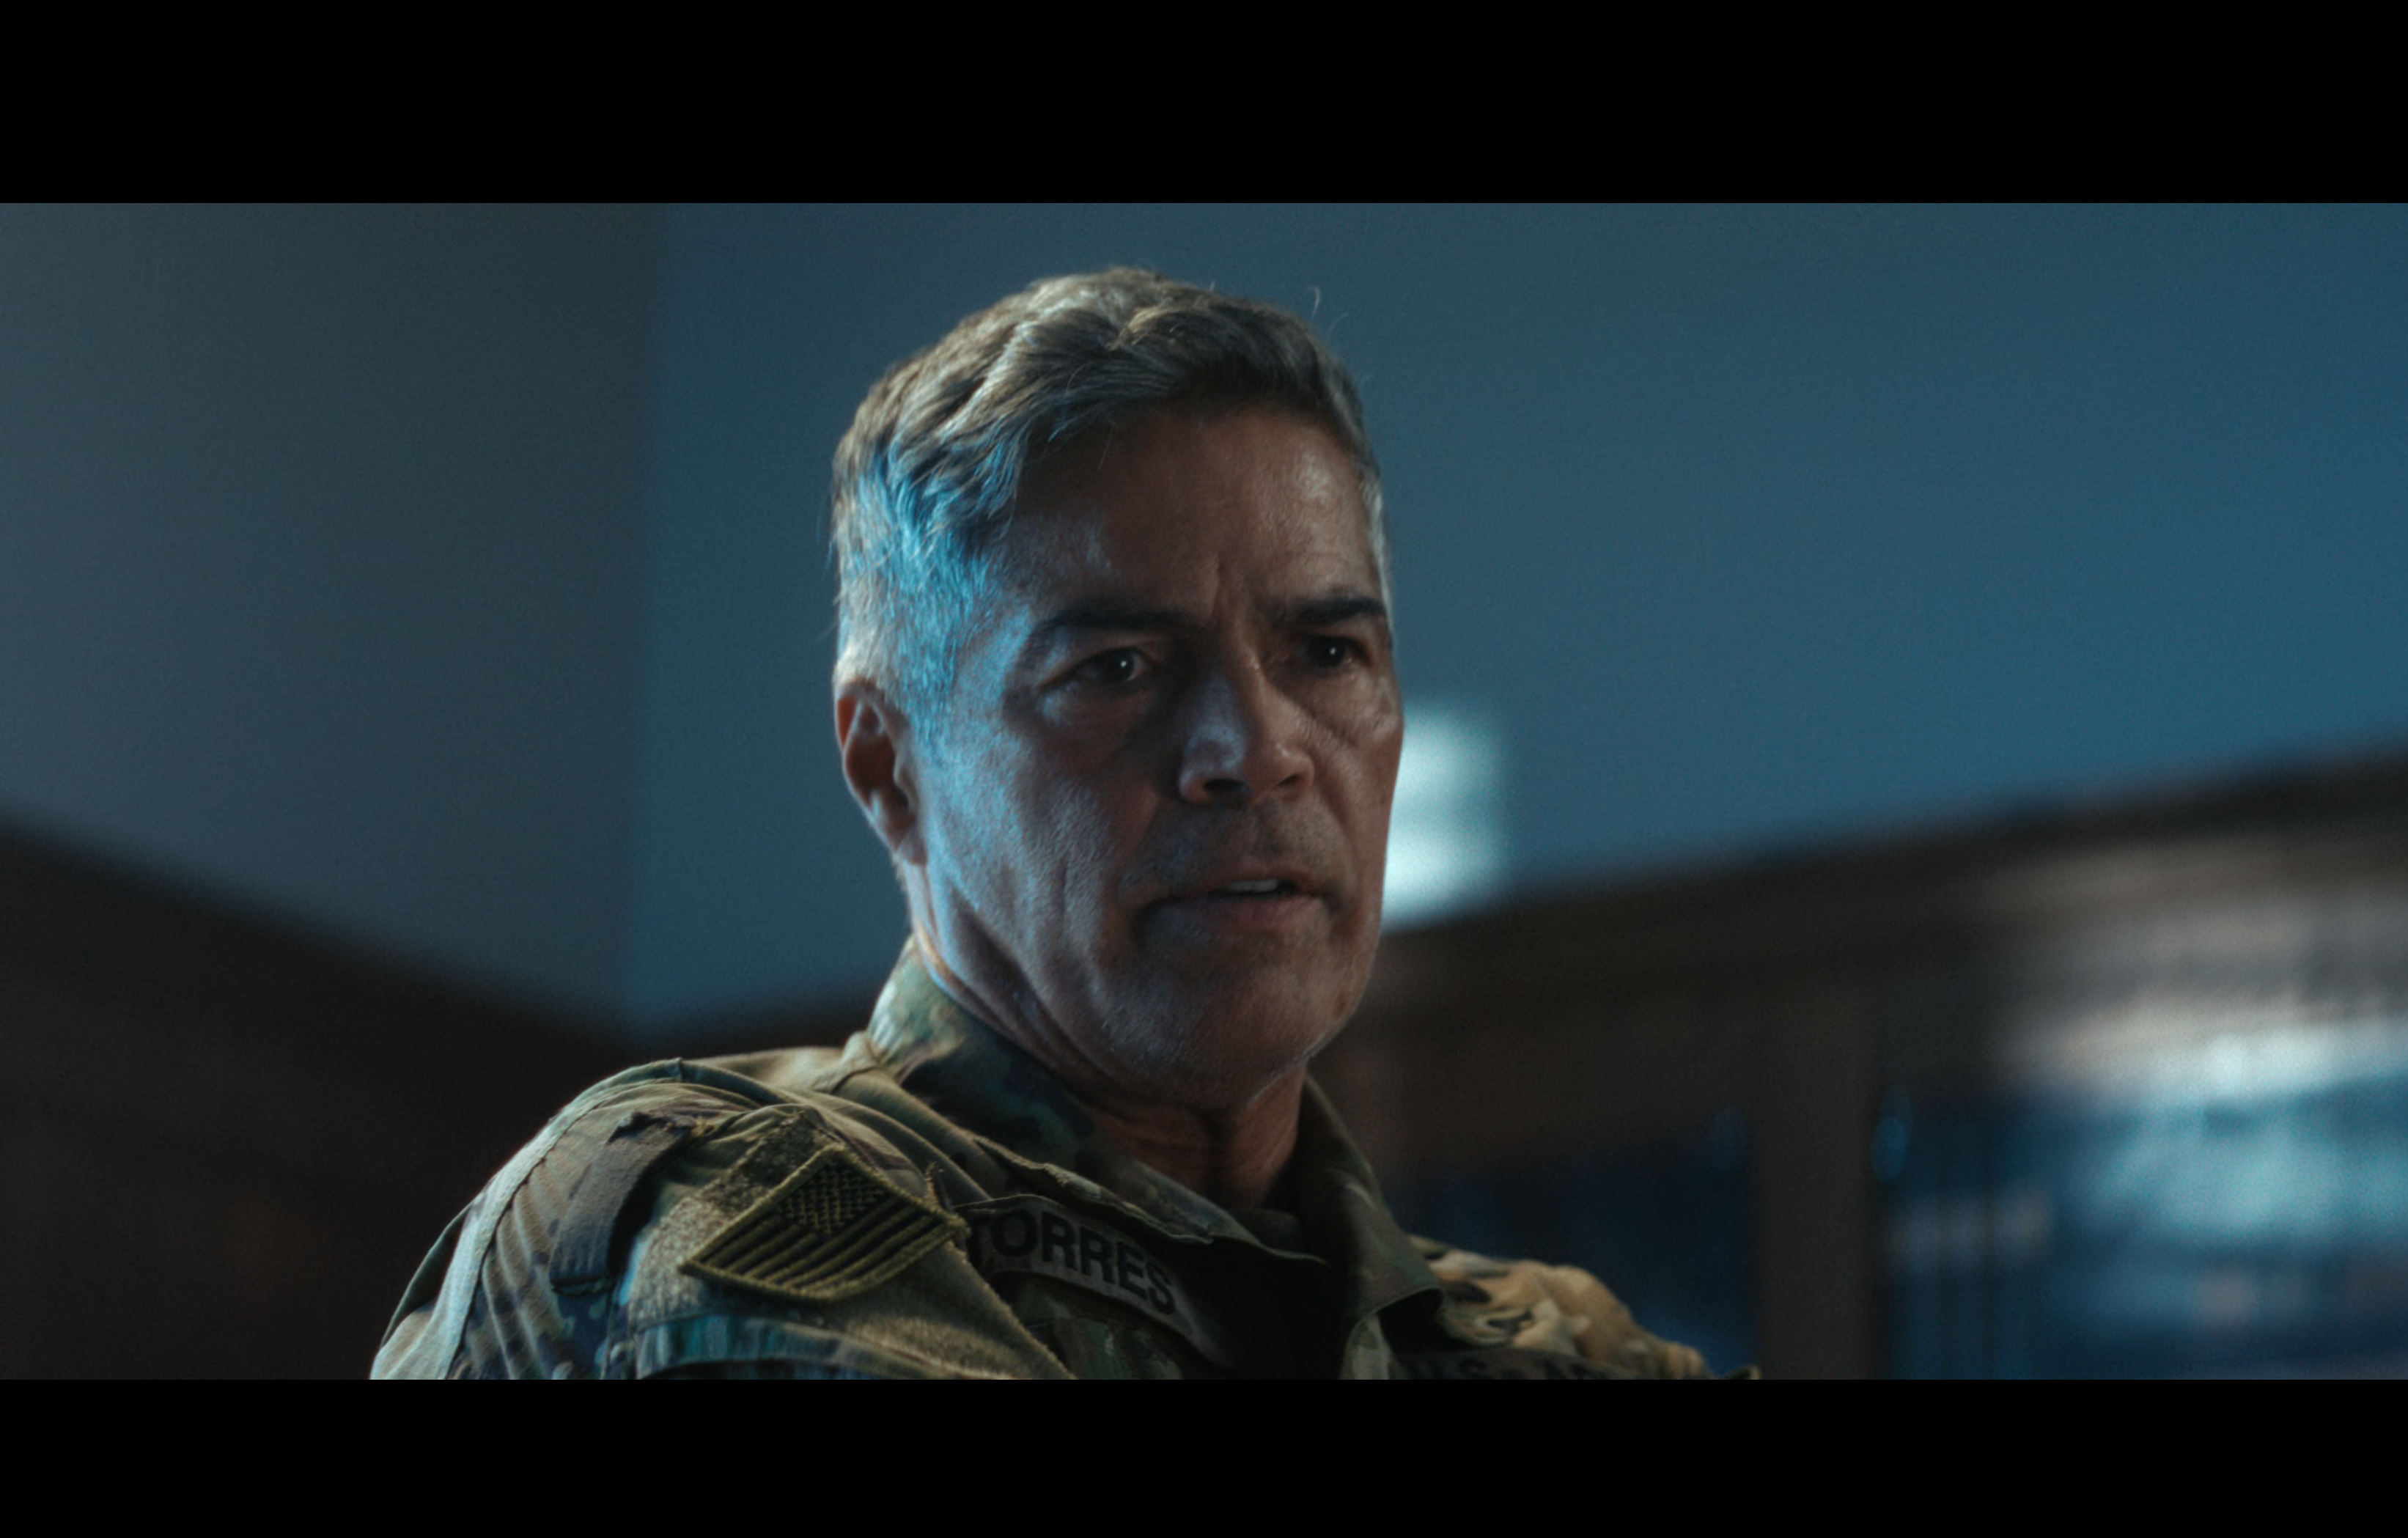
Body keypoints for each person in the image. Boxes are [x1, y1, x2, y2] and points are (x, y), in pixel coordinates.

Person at [372, 269, 1717, 1379]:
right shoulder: (714, 1214)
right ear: (889, 764)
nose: (1257, 752)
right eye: (1118, 669)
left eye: (1325, 653)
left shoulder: (1565, 1351)